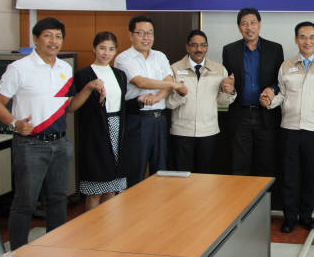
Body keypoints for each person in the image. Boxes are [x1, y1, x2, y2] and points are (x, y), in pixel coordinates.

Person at [0, 18, 75, 250]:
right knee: (25, 202)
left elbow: (67, 105)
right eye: (47, 35)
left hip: (61, 143)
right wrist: (15, 123)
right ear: (36, 39)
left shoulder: (65, 68)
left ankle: (56, 248)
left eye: (58, 36)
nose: (53, 41)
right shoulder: (19, 68)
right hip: (30, 145)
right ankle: (18, 250)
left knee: (58, 200)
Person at [262, 21, 314, 233]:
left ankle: (306, 216)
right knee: (289, 176)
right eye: (303, 37)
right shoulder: (286, 65)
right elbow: (282, 94)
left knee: (310, 175)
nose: (307, 41)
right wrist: (269, 101)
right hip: (289, 128)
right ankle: (289, 217)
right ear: (296, 39)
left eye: (312, 37)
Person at [114, 15, 184, 187]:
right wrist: (173, 84)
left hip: (159, 118)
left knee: (160, 170)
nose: (146, 38)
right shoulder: (123, 59)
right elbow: (141, 82)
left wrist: (157, 97)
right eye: (141, 33)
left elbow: (167, 81)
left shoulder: (159, 56)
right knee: (135, 169)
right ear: (131, 35)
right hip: (137, 120)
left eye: (150, 33)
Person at [69, 32, 127, 211]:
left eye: (111, 49)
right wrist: (98, 101)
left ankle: (108, 232)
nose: (106, 53)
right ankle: (90, 231)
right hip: (95, 133)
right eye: (102, 48)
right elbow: (75, 107)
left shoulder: (120, 74)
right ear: (93, 48)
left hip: (117, 129)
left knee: (111, 188)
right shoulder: (83, 74)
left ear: (116, 51)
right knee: (96, 189)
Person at [222, 8, 284, 177]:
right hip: (239, 115)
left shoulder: (275, 49)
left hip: (266, 115)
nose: (249, 27)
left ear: (259, 25)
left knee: (266, 166)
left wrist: (272, 90)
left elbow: (280, 81)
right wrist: (229, 87)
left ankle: (264, 204)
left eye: (253, 23)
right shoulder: (229, 51)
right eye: (244, 24)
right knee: (239, 166)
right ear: (239, 27)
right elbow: (228, 81)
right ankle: (241, 204)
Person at [167, 30, 236, 173]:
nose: (199, 49)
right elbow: (169, 103)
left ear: (207, 47)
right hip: (182, 133)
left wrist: (229, 91)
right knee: (183, 178)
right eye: (194, 45)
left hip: (208, 132)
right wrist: (180, 94)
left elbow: (223, 102)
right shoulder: (175, 69)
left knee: (205, 178)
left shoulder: (219, 69)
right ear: (187, 47)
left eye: (203, 45)